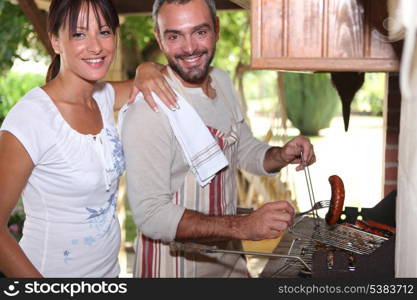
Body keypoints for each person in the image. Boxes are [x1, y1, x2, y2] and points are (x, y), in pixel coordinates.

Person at [122, 0, 316, 278]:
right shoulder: (148, 111)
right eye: (174, 36)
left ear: (216, 28)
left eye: (200, 32)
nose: (189, 48)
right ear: (158, 38)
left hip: (229, 261)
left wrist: (280, 155)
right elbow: (152, 215)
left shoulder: (221, 81)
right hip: (174, 269)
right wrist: (243, 226)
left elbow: (245, 148)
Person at [0, 0, 174, 278]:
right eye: (79, 34)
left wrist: (145, 67)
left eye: (104, 32)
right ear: (55, 40)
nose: (96, 46)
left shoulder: (103, 97)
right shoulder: (31, 119)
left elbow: (162, 78)